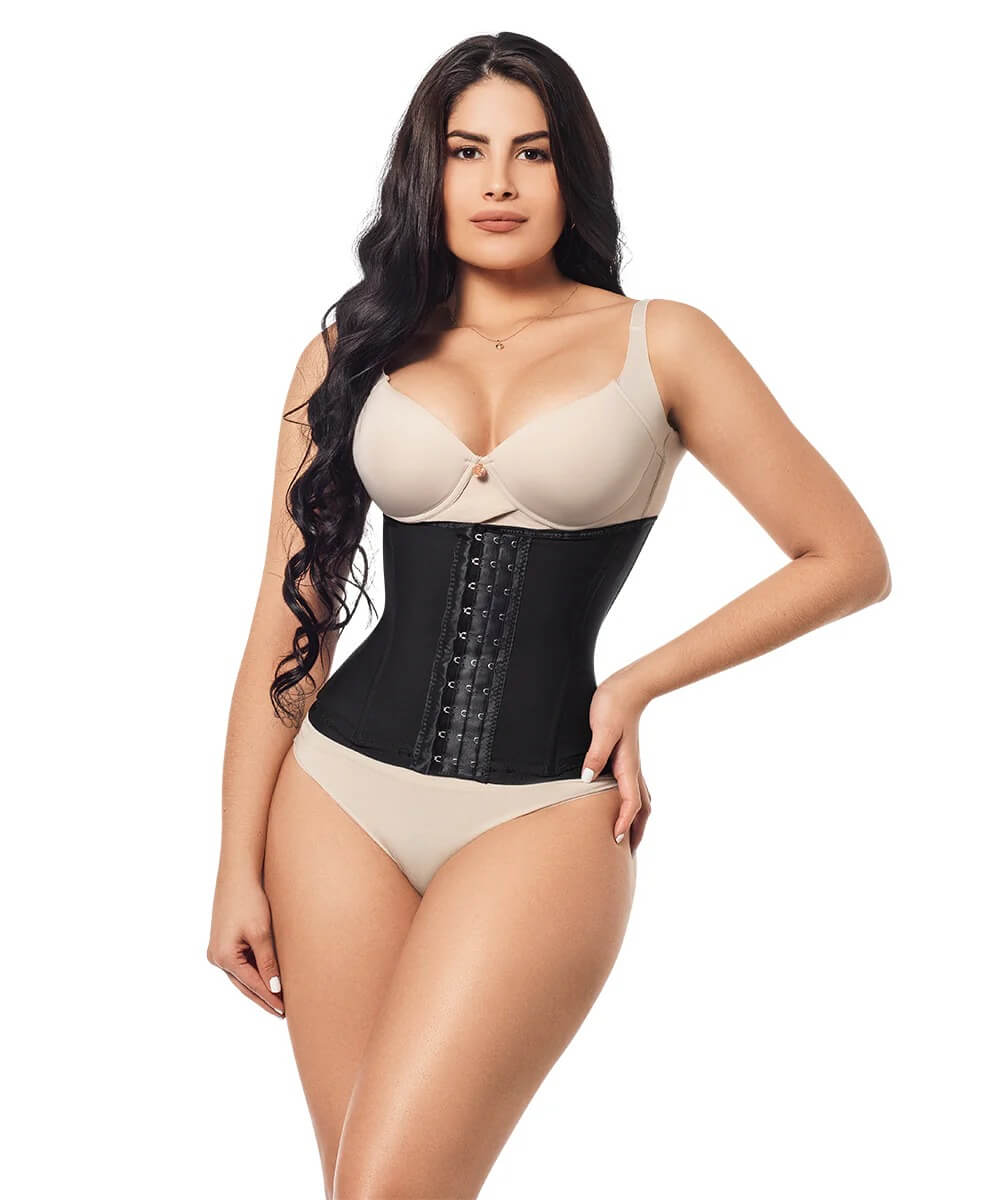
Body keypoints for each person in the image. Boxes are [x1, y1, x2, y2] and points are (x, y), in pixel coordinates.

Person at [207, 31, 891, 1200]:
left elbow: (846, 558)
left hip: (542, 809)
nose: (500, 182)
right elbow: (287, 622)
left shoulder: (661, 341)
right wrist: (235, 863)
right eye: (467, 151)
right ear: (427, 172)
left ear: (573, 170)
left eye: (531, 152)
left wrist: (637, 682)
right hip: (334, 801)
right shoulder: (346, 352)